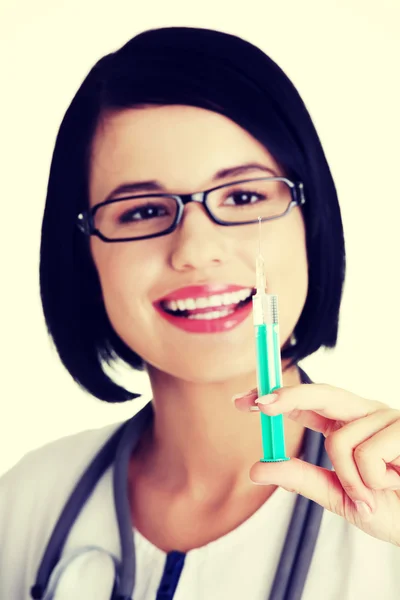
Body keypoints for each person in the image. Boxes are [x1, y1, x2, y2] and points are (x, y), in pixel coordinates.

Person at [0, 26, 399, 600]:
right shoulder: (24, 508)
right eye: (140, 211)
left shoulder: (391, 517)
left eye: (242, 197)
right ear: (84, 254)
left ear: (310, 224)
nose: (194, 250)